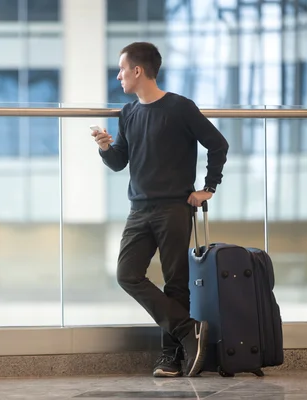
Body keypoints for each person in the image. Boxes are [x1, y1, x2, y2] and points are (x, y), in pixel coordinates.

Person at [91, 42, 229, 378]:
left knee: (176, 284)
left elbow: (217, 143)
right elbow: (120, 162)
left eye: (122, 69)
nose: (119, 75)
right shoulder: (128, 113)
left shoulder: (180, 107)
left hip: (173, 208)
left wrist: (208, 188)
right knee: (127, 274)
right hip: (138, 209)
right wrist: (106, 148)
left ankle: (172, 358)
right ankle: (188, 330)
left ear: (138, 71)